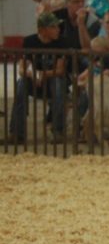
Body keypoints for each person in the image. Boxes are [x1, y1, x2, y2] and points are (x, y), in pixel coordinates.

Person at [6, 13, 72, 145]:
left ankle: (58, 130)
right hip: (35, 80)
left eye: (57, 26)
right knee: (21, 86)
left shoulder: (62, 42)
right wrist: (35, 74)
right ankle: (17, 133)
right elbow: (22, 68)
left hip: (53, 79)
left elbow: (60, 70)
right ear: (42, 30)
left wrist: (41, 74)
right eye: (53, 27)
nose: (58, 29)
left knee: (58, 86)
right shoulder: (29, 41)